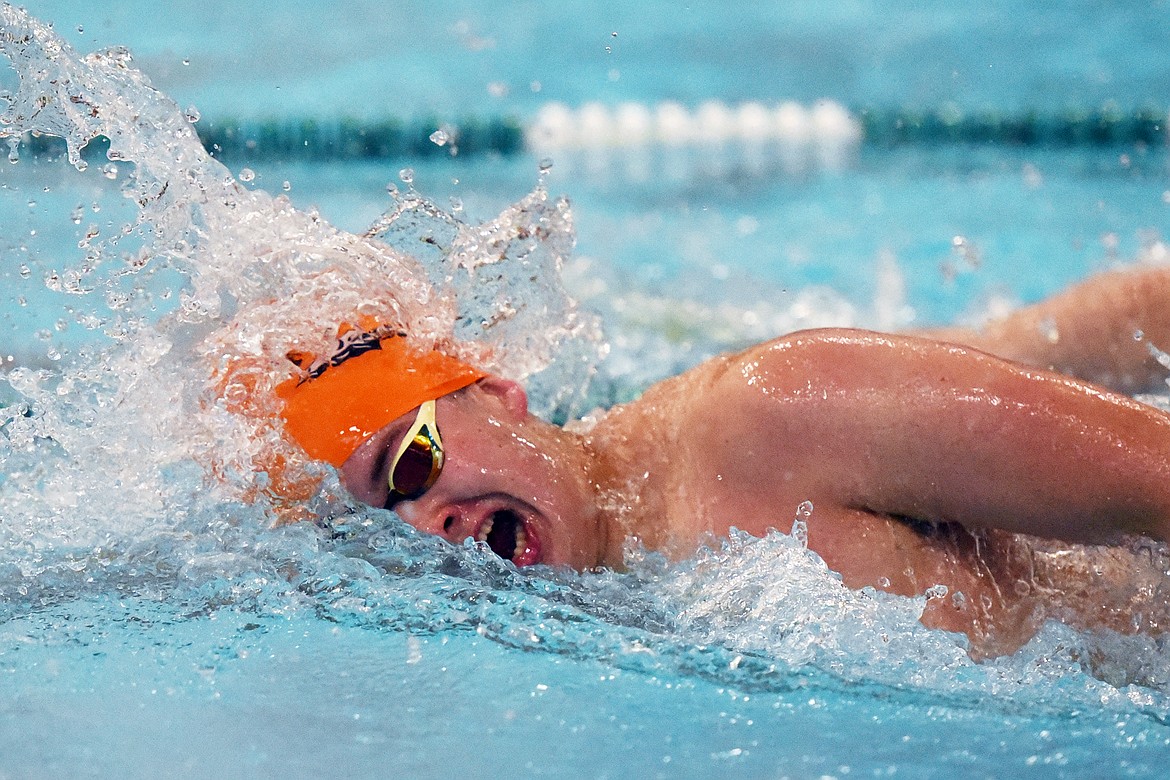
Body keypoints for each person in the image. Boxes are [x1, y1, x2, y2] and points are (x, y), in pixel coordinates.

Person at [270, 266, 1170, 657]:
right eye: (382, 523)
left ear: (503, 394)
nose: (429, 524)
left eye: (415, 463)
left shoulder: (775, 415)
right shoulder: (595, 599)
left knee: (1012, 344)